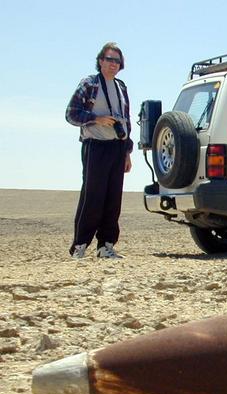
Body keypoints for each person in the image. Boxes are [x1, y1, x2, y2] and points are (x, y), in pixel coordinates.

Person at [65, 42, 133, 259]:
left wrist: (127, 152)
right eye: (109, 59)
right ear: (100, 61)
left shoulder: (121, 87)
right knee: (93, 197)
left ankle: (106, 246)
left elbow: (126, 121)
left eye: (117, 60)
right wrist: (96, 119)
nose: (113, 64)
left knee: (113, 199)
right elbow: (71, 114)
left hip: (117, 147)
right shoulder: (90, 84)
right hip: (96, 146)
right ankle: (80, 245)